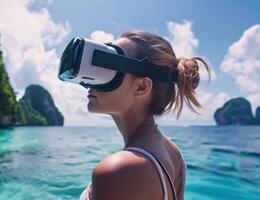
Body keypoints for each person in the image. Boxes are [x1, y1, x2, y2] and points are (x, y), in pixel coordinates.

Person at [79, 30, 212, 200]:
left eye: (109, 67)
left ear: (142, 87)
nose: (93, 78)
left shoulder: (118, 172)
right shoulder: (173, 153)